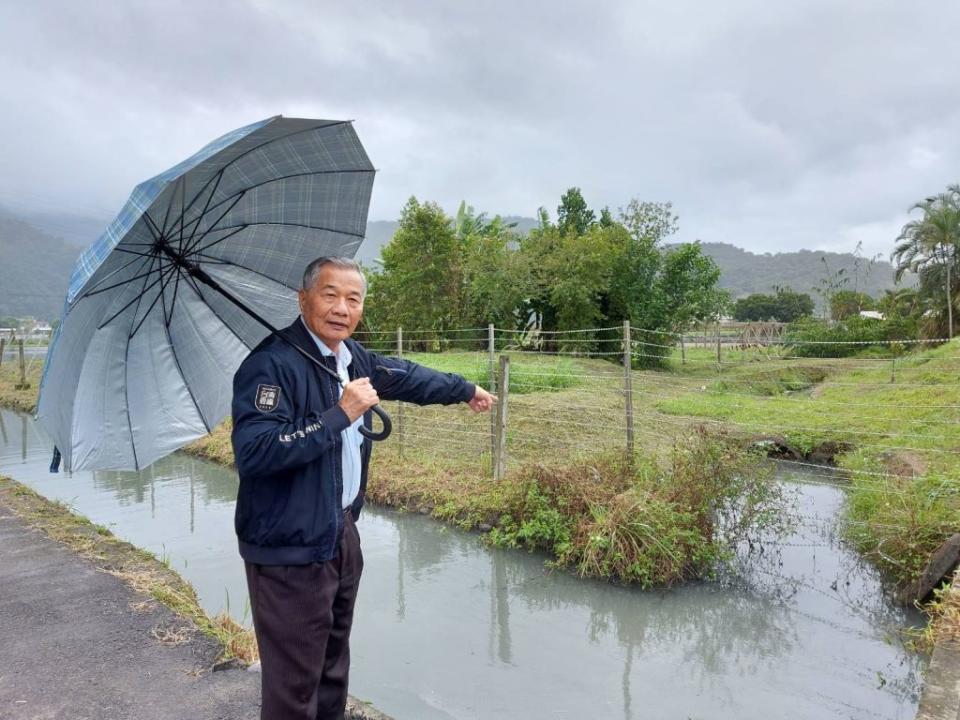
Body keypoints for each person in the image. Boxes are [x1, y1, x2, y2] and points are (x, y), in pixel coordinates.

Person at [231, 256, 495, 720]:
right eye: (330, 294)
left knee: (332, 671)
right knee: (294, 688)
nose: (342, 308)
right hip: (289, 548)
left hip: (340, 534)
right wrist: (339, 415)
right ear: (303, 298)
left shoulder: (350, 358)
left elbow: (407, 377)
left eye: (353, 298)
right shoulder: (269, 366)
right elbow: (256, 453)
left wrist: (464, 388)